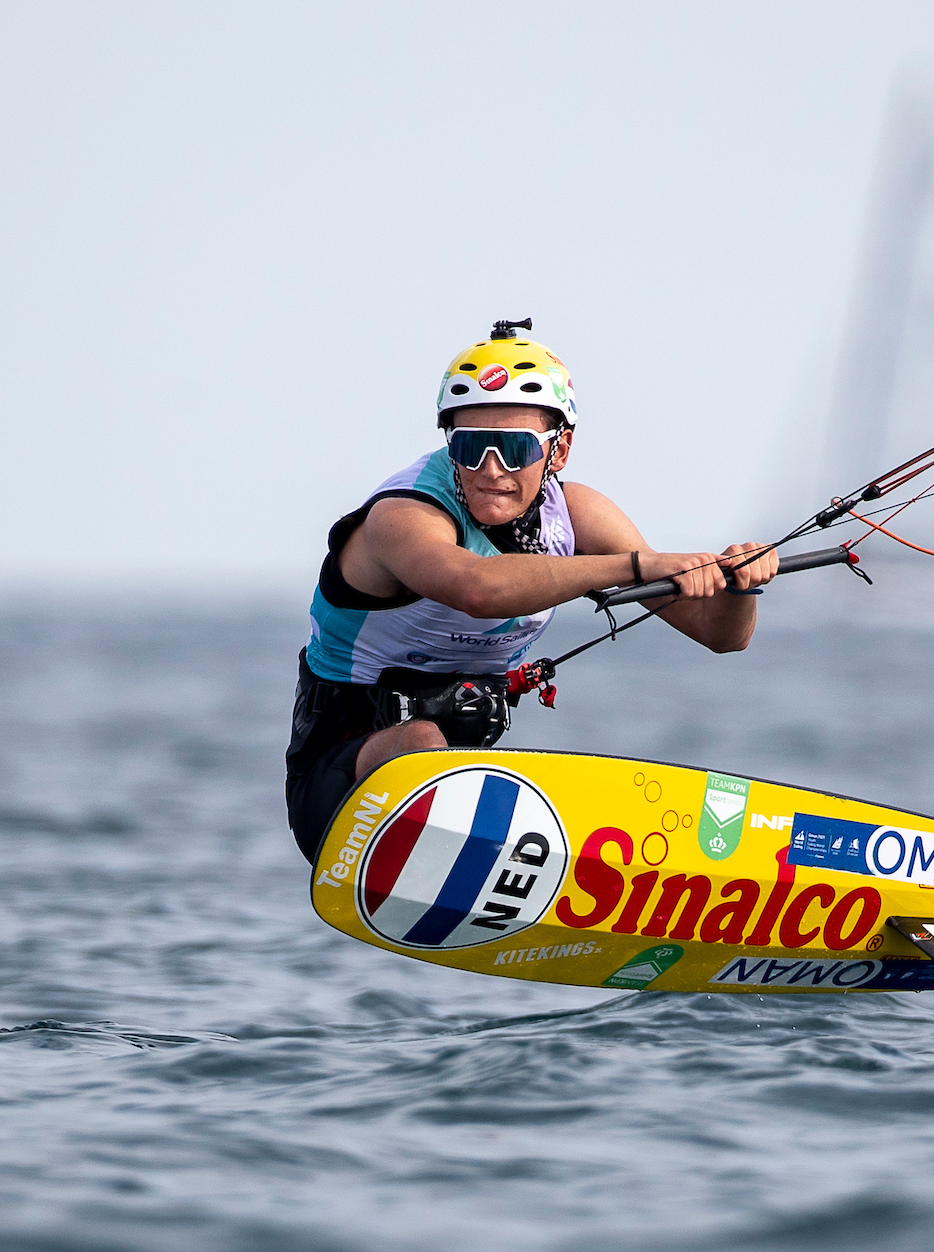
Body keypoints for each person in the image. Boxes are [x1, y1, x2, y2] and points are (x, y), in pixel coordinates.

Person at [284, 319, 777, 862]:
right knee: (422, 743)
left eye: (516, 447)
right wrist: (637, 566)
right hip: (342, 784)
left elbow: (720, 636)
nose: (490, 469)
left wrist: (742, 585)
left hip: (461, 783)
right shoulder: (402, 517)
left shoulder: (579, 514)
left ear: (559, 450)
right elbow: (477, 589)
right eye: (471, 446)